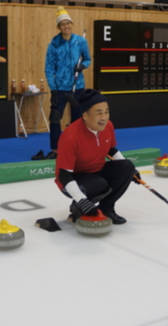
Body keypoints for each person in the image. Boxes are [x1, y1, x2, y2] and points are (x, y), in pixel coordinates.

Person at [54, 89, 138, 225]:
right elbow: (64, 175)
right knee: (99, 184)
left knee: (127, 166)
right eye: (99, 113)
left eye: (106, 112)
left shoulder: (107, 126)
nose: (104, 118)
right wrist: (81, 199)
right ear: (85, 115)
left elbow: (111, 149)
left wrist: (131, 172)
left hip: (97, 171)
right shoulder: (70, 137)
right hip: (72, 178)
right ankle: (77, 206)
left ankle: (107, 209)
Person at [33, 7, 91, 161]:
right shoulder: (54, 44)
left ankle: (76, 148)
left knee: (78, 120)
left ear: (72, 24)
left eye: (68, 23)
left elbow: (87, 59)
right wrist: (53, 89)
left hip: (78, 87)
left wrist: (82, 66)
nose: (66, 26)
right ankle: (56, 149)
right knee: (55, 118)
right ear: (58, 27)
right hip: (60, 88)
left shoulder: (81, 41)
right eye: (63, 24)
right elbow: (49, 68)